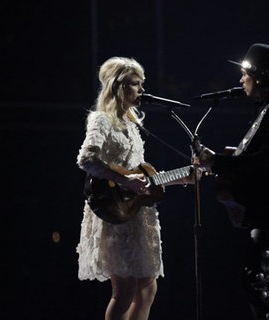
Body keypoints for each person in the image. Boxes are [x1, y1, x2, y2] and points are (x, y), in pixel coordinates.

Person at [193, 43, 269, 320]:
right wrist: (219, 162)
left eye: (245, 74)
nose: (241, 80)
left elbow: (261, 163)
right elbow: (257, 159)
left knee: (254, 280)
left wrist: (217, 163)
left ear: (258, 77)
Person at [76, 56, 196, 320]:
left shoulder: (132, 125)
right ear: (118, 87)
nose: (142, 90)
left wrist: (183, 178)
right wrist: (124, 180)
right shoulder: (102, 120)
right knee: (124, 292)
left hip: (136, 212)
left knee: (147, 289)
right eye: (135, 84)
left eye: (142, 84)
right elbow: (87, 160)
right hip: (115, 212)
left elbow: (141, 176)